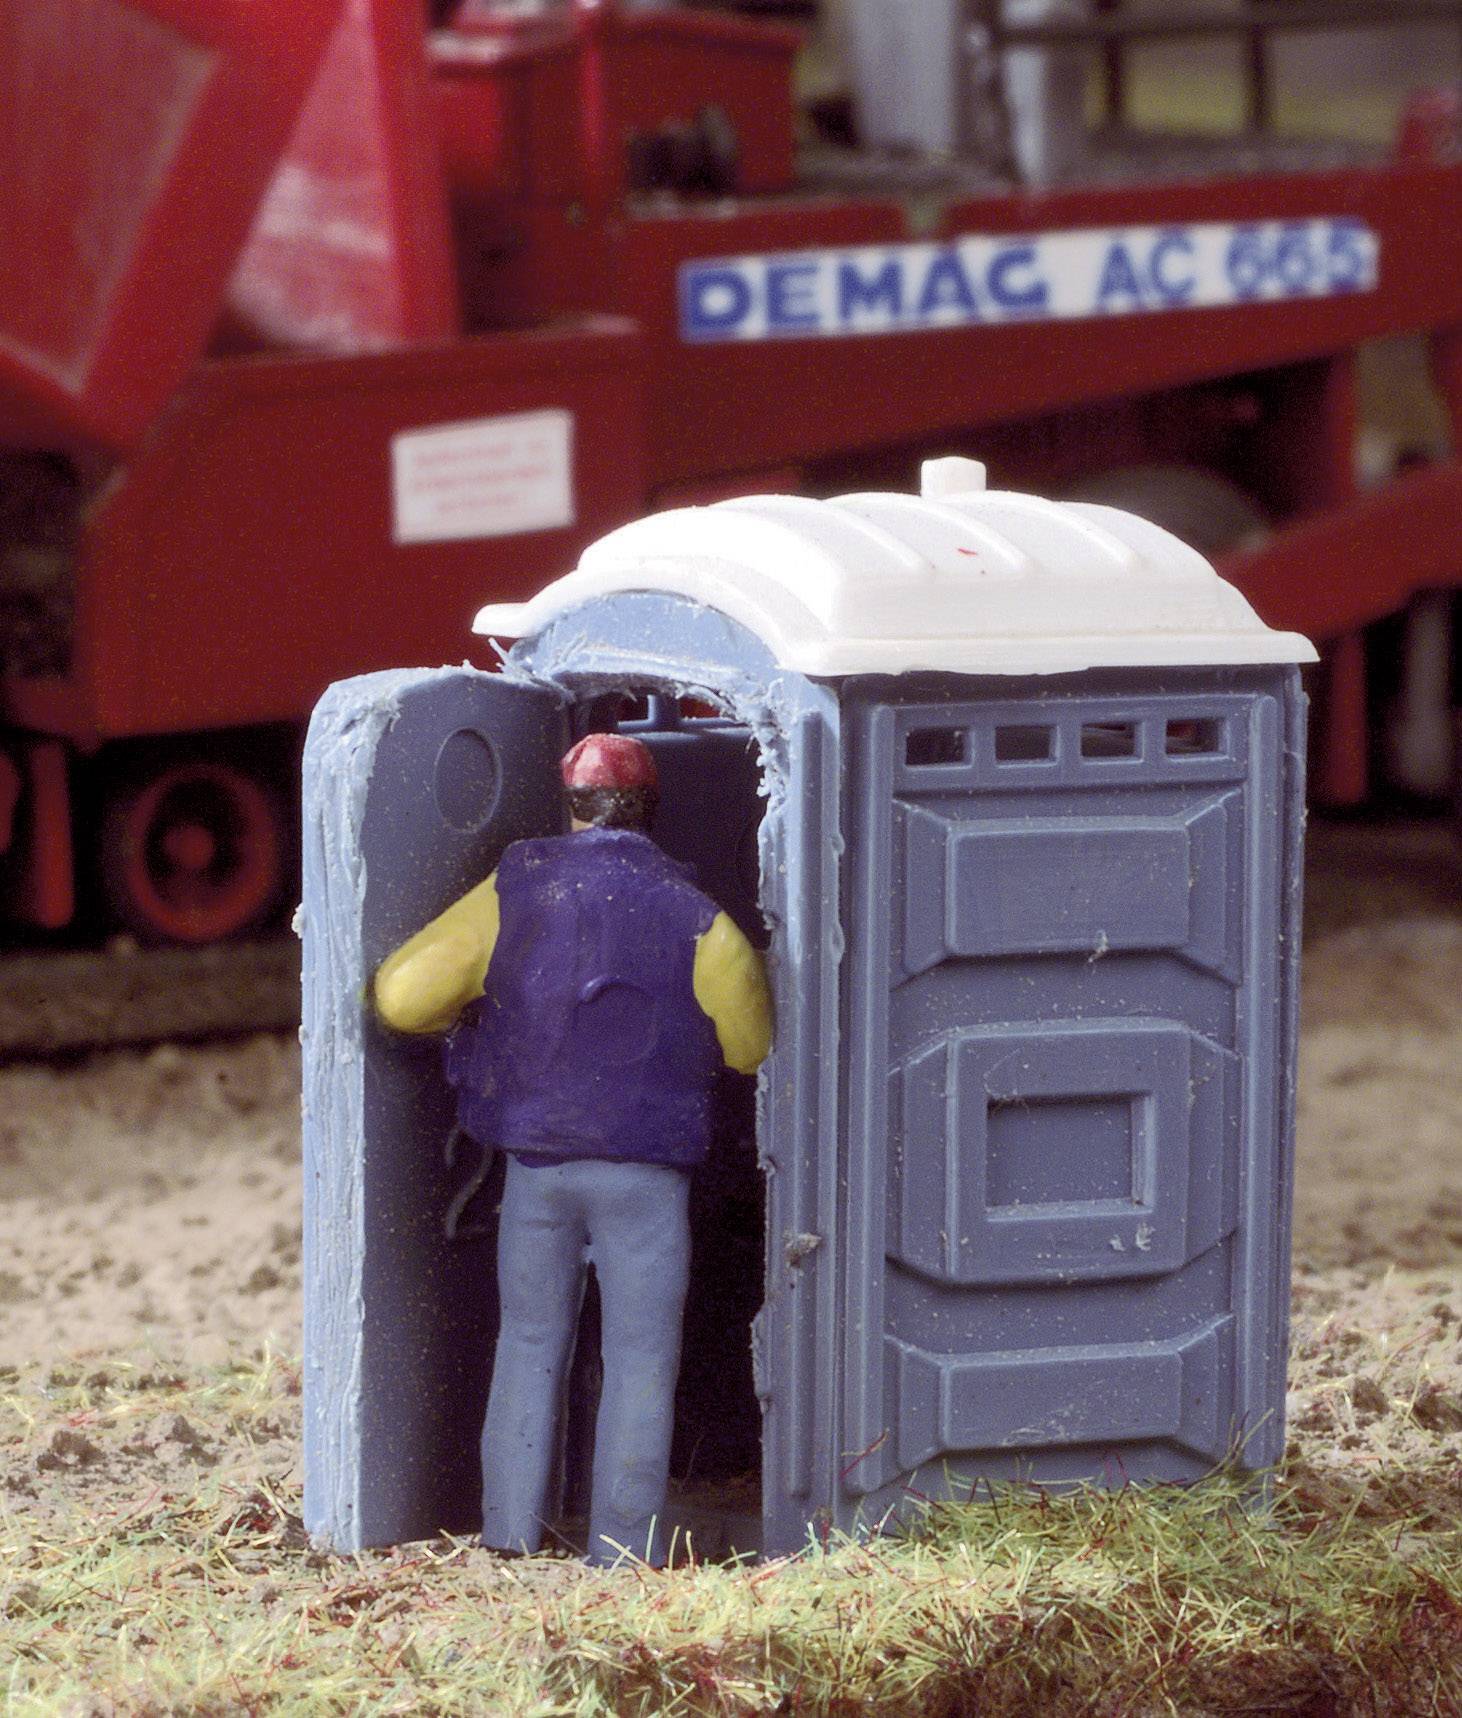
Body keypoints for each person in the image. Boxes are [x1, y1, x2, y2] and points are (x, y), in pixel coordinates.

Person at [373, 731, 772, 1565]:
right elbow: (748, 1047)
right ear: (650, 809)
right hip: (646, 1176)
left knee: (527, 1341)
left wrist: (484, 1015)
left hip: (540, 1168)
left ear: (572, 804)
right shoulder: (699, 917)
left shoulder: (515, 888)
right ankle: (621, 1550)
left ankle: (509, 1535)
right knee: (641, 1358)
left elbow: (405, 996)